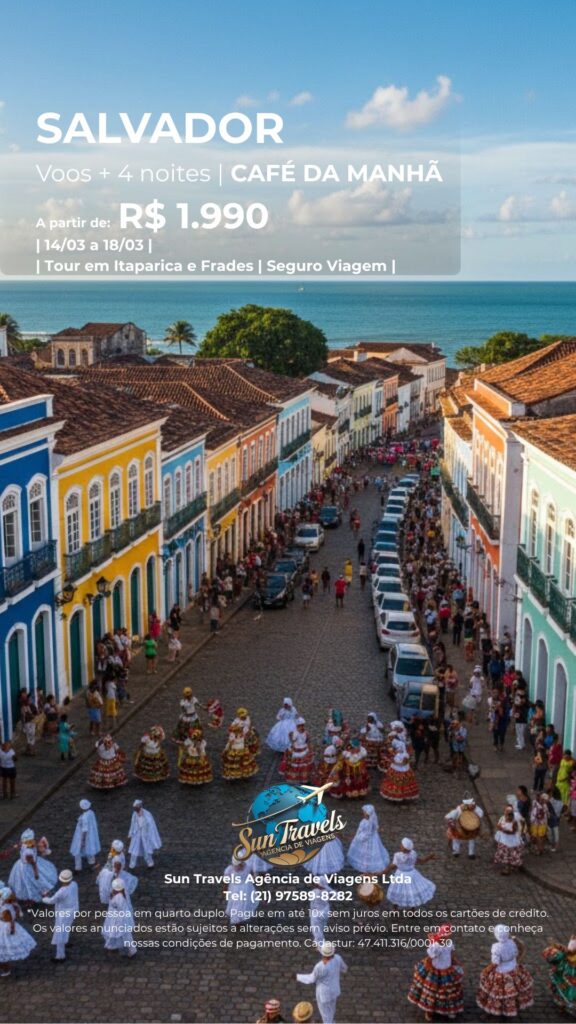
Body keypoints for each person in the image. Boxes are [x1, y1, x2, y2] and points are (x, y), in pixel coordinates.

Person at [407, 923, 464, 1022]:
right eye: (447, 935)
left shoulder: (449, 943)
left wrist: (454, 961)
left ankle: (449, 1009)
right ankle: (429, 1011)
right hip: (436, 971)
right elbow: (430, 958)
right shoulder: (436, 946)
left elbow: (451, 953)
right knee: (432, 993)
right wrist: (427, 968)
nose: (449, 937)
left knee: (448, 992)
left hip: (447, 969)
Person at [476, 924, 534, 1017]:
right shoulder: (512, 942)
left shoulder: (496, 947)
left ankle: (497, 1009)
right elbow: (519, 951)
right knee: (513, 991)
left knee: (497, 992)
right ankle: (510, 1008)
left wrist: (486, 971)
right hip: (514, 969)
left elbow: (495, 963)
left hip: (501, 972)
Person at [296, 941, 348, 1024]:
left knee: (326, 1017)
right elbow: (344, 969)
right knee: (331, 1011)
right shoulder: (338, 958)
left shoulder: (319, 967)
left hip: (324, 995)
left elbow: (311, 979)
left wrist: (297, 976)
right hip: (334, 991)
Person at [384, 838, 436, 909]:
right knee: (412, 892)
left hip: (400, 876)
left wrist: (375, 874)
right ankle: (412, 910)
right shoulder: (413, 854)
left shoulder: (397, 856)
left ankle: (394, 908)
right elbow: (421, 861)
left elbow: (389, 868)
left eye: (401, 845)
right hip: (412, 875)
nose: (400, 845)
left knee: (397, 891)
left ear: (404, 848)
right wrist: (429, 857)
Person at [8, 829, 58, 902]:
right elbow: (33, 864)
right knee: (32, 881)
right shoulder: (30, 848)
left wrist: (36, 873)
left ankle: (34, 895)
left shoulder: (27, 850)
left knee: (27, 881)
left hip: (24, 866)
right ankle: (38, 893)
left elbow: (33, 863)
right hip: (26, 866)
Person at [41, 868, 79, 962]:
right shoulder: (74, 884)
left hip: (63, 913)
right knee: (67, 927)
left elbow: (51, 901)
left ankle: (60, 956)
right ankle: (66, 941)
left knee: (59, 933)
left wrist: (44, 897)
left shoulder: (61, 891)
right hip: (73, 909)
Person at [0, 886, 37, 976]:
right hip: (6, 924)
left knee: (2, 950)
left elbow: (9, 922)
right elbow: (16, 916)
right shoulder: (13, 905)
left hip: (4, 928)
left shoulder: (6, 910)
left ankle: (6, 969)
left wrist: (11, 929)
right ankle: (5, 967)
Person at [347, 805, 389, 872]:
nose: (363, 813)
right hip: (369, 836)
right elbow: (375, 828)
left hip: (366, 838)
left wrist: (359, 838)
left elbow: (367, 833)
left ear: (367, 813)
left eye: (364, 812)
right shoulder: (368, 820)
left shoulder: (368, 822)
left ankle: (366, 865)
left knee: (366, 852)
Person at [542, 935, 576, 1017]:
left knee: (566, 986)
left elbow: (570, 952)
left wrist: (556, 946)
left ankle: (566, 1005)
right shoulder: (574, 938)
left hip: (571, 970)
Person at [102, 877, 137, 957]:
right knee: (126, 934)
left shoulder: (118, 897)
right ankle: (131, 949)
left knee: (116, 932)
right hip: (122, 917)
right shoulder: (123, 894)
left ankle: (112, 946)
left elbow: (115, 905)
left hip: (118, 918)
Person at [97, 840, 138, 904]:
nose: (111, 848)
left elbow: (116, 871)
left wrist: (113, 880)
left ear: (115, 849)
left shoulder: (117, 859)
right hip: (113, 869)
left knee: (109, 886)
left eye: (112, 848)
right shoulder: (120, 854)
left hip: (113, 874)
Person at [222, 712, 259, 780]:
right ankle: (243, 773)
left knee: (235, 763)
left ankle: (236, 774)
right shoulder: (241, 734)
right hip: (242, 749)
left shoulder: (234, 735)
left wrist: (226, 749)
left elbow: (231, 742)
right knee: (243, 762)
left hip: (235, 750)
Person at [223, 855, 258, 928]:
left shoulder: (230, 869)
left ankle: (239, 919)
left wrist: (225, 890)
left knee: (243, 904)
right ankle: (237, 921)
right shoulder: (231, 870)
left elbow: (225, 882)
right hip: (240, 889)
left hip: (243, 889)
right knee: (238, 905)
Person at [128, 800, 162, 869]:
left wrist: (149, 834)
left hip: (145, 835)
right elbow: (132, 824)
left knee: (146, 850)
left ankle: (150, 863)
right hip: (137, 835)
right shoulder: (134, 814)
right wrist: (130, 833)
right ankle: (132, 865)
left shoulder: (147, 814)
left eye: (136, 808)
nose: (135, 809)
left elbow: (151, 825)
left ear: (139, 807)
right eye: (134, 808)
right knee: (134, 850)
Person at [70, 799, 100, 872]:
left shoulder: (84, 817)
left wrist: (82, 841)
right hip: (91, 835)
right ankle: (92, 862)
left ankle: (78, 867)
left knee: (77, 850)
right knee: (90, 849)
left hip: (81, 836)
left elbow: (84, 830)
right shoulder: (91, 813)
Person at [494, 804, 524, 875]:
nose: (508, 813)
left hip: (512, 840)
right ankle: (507, 868)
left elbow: (513, 831)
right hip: (504, 840)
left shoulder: (514, 821)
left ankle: (511, 867)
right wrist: (501, 828)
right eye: (506, 811)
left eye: (510, 812)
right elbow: (498, 825)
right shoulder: (502, 818)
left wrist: (505, 830)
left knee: (512, 854)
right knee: (505, 854)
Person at [281, 719, 314, 784]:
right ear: (297, 726)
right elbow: (293, 741)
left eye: (303, 726)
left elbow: (308, 740)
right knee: (295, 765)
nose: (302, 728)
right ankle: (295, 778)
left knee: (304, 765)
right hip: (297, 750)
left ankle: (304, 778)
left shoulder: (306, 733)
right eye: (300, 726)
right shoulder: (295, 733)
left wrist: (309, 747)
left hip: (304, 749)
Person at [308, 875, 335, 949]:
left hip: (316, 914)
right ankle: (318, 942)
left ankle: (321, 947)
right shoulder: (326, 891)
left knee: (316, 930)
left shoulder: (314, 892)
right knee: (322, 927)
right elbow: (335, 894)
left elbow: (312, 904)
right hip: (325, 912)